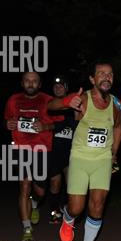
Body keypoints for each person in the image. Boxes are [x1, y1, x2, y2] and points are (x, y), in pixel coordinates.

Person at [48, 62, 121, 241]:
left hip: (102, 160)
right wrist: (67, 101)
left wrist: (114, 152)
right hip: (80, 159)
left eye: (110, 74)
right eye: (101, 74)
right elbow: (50, 106)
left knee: (97, 205)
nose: (106, 77)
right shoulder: (82, 99)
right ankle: (67, 217)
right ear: (92, 79)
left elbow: (118, 127)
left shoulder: (116, 105)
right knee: (76, 208)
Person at [4, 71, 55, 241]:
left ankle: (35, 203)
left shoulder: (48, 100)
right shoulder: (13, 100)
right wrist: (8, 124)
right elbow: (7, 120)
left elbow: (58, 123)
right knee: (24, 186)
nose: (30, 83)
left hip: (42, 149)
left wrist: (45, 127)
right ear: (22, 83)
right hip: (21, 148)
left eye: (34, 81)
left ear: (39, 84)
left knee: (40, 190)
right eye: (27, 80)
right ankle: (27, 228)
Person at [48, 75, 78, 223]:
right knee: (55, 183)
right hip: (53, 151)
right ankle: (54, 212)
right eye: (55, 86)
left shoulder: (74, 105)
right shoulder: (50, 105)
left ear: (66, 88)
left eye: (61, 86)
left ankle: (67, 211)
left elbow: (76, 124)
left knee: (71, 184)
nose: (58, 88)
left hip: (71, 151)